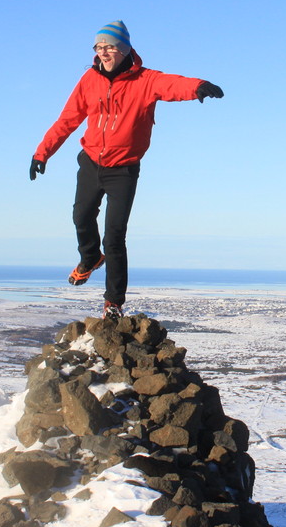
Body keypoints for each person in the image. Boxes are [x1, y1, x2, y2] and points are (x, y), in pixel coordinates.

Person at [29, 20, 224, 319]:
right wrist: (43, 153)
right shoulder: (88, 81)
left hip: (124, 169)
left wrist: (197, 86)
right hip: (92, 160)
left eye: (110, 47)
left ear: (125, 49)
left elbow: (172, 84)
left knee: (115, 236)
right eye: (99, 47)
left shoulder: (145, 80)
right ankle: (90, 258)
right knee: (81, 216)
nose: (104, 52)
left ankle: (113, 302)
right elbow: (67, 119)